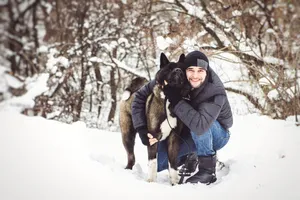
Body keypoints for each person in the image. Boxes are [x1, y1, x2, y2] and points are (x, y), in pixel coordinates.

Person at [131, 50, 233, 184]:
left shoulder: (215, 91)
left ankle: (207, 170)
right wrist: (141, 128)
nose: (195, 75)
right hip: (190, 131)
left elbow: (200, 126)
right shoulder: (172, 78)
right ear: (183, 70)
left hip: (217, 134)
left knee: (200, 125)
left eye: (200, 71)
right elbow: (139, 97)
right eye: (191, 70)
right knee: (161, 162)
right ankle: (192, 156)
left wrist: (176, 99)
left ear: (206, 71)